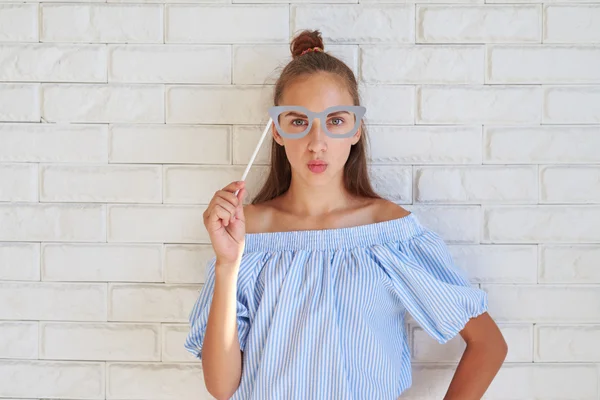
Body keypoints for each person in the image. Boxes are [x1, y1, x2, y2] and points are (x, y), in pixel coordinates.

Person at [185, 29, 508, 400]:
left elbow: (488, 344)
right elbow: (221, 387)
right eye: (298, 121)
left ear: (356, 130)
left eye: (335, 120)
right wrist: (227, 265)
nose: (317, 142)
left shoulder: (390, 233)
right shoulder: (247, 233)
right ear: (276, 131)